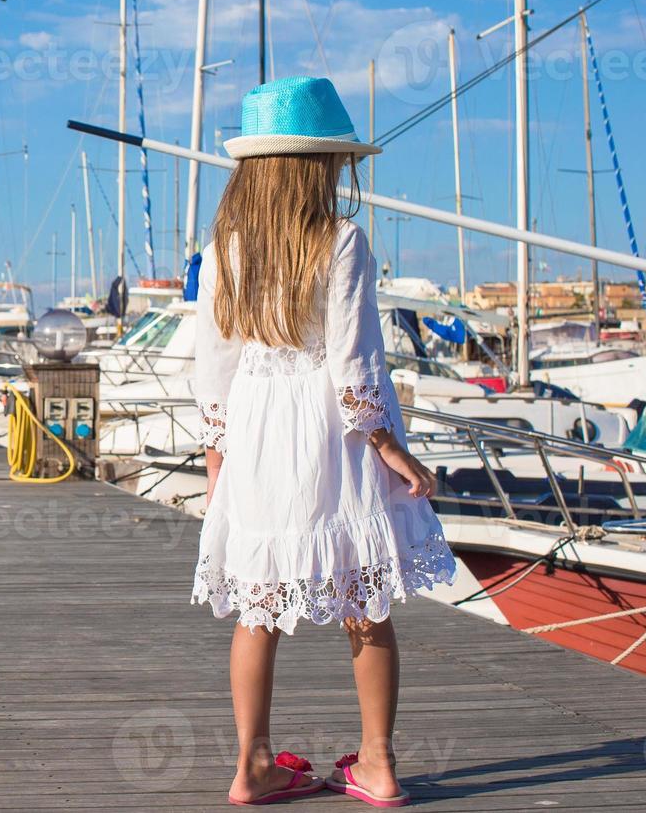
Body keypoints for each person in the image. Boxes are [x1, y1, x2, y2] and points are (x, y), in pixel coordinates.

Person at [191, 76, 456, 807]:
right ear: (316, 166)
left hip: (256, 424)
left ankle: (249, 767)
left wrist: (216, 447)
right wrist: (385, 442)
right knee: (363, 601)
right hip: (327, 428)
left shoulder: (223, 249)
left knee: (259, 603)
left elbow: (213, 359)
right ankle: (375, 763)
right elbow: (353, 354)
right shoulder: (340, 239)